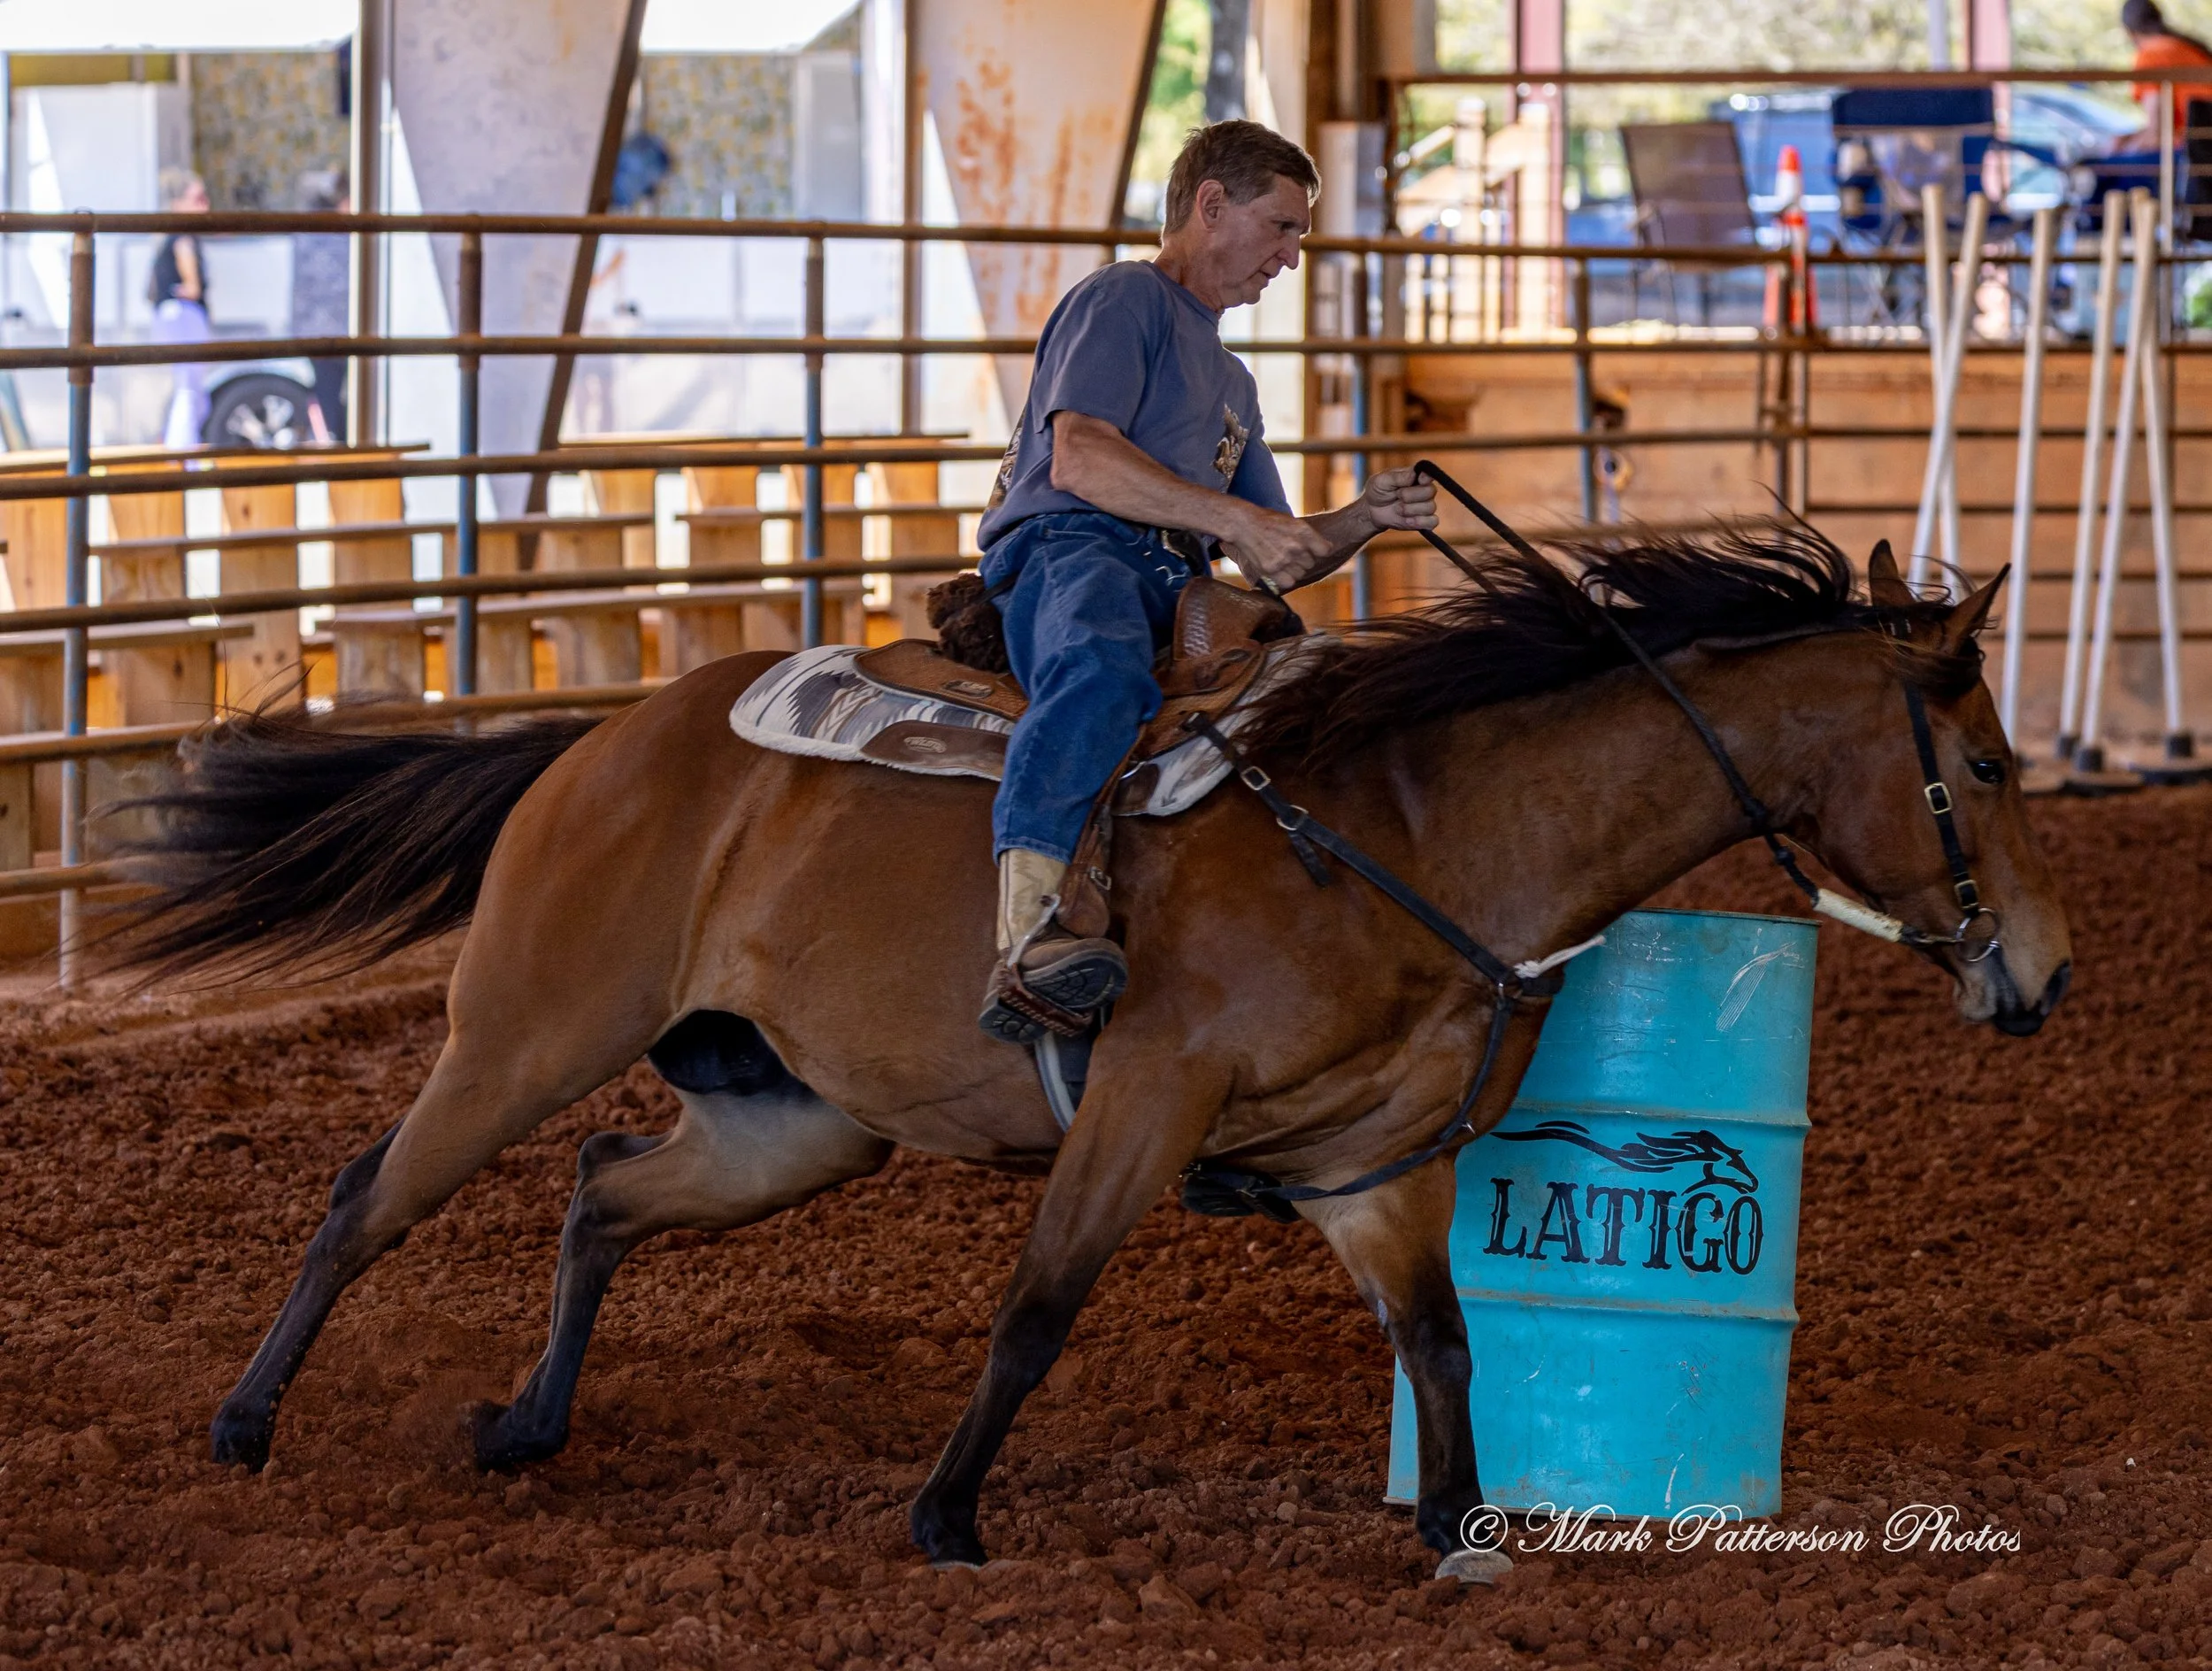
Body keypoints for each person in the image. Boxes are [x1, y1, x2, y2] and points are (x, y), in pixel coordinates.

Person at [972, 119, 1439, 1043]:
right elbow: (1081, 456)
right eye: (1281, 227)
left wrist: (1362, 517)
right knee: (1101, 670)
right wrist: (1229, 519)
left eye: (1299, 236)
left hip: (1177, 579)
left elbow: (1283, 548)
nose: (1289, 258)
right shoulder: (1123, 299)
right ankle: (1026, 925)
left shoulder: (1232, 381)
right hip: (1076, 548)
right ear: (1209, 203)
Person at [149, 170, 212, 449]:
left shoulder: (168, 233)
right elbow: (193, 285)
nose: (205, 205)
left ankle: (181, 452)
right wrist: (191, 285)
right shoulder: (182, 236)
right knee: (190, 390)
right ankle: (185, 456)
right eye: (197, 198)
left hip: (170, 314)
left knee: (189, 390)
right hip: (184, 313)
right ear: (179, 202)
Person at [292, 169, 352, 444]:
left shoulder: (305, 235)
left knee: (329, 393)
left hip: (315, 328)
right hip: (339, 327)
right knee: (339, 393)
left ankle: (335, 440)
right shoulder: (338, 237)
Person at [2121, 0, 2212, 147]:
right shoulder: (2189, 47)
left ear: (2128, 31)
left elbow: (2155, 132)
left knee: (2096, 164)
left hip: (2196, 151)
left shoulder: (2150, 55)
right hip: (2198, 145)